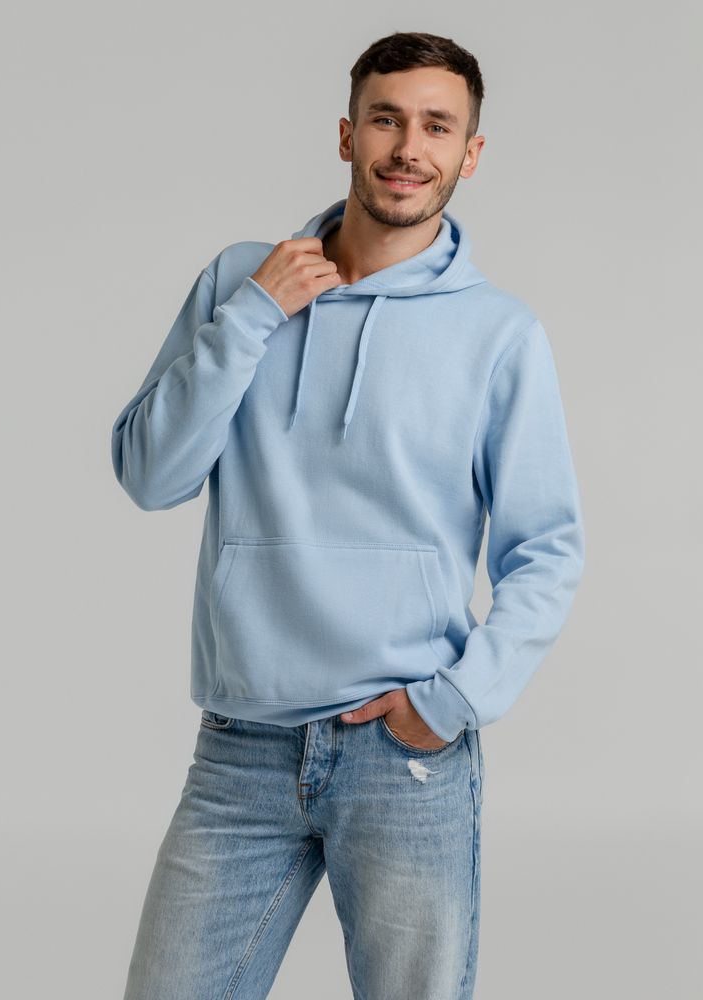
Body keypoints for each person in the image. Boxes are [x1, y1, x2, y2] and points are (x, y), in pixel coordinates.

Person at [111, 30, 585, 1000]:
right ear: (346, 134)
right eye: (386, 120)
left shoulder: (499, 333)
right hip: (240, 748)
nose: (409, 148)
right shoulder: (241, 281)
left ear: (470, 153)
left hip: (402, 758)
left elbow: (547, 549)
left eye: (437, 127)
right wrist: (255, 312)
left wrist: (452, 702)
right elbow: (151, 475)